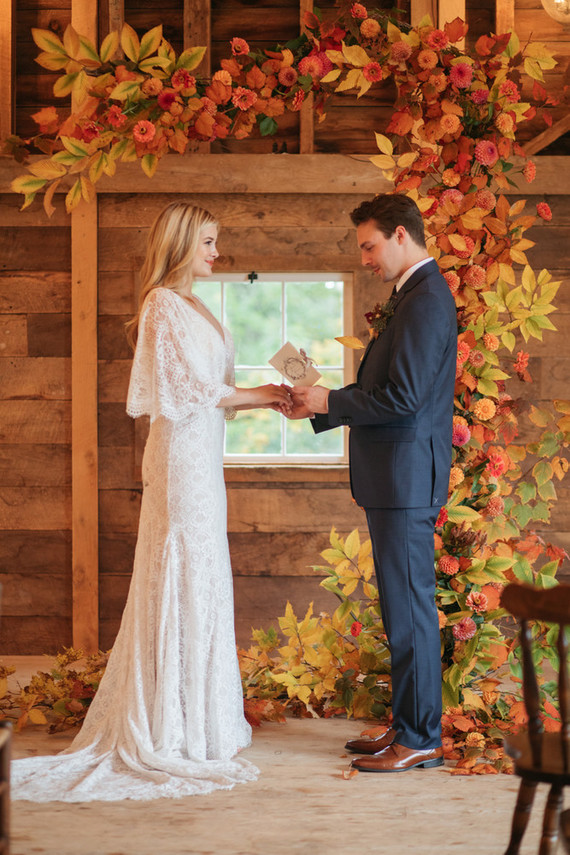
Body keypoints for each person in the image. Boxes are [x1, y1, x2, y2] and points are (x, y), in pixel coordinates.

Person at [12, 202, 291, 801]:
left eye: (216, 242)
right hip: (180, 459)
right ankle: (171, 722)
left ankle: (202, 717)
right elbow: (188, 389)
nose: (217, 252)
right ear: (182, 243)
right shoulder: (162, 303)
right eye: (208, 242)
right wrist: (263, 394)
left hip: (204, 457)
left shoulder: (197, 305)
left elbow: (213, 388)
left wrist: (268, 396)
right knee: (182, 564)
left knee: (203, 568)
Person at [288, 194, 457, 772]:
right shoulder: (411, 295)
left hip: (406, 480)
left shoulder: (426, 298)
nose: (364, 259)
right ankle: (407, 726)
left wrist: (327, 400)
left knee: (409, 611)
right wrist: (321, 404)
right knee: (400, 610)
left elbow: (403, 399)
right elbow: (389, 390)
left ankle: (421, 738)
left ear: (401, 235)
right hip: (395, 478)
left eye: (369, 246)